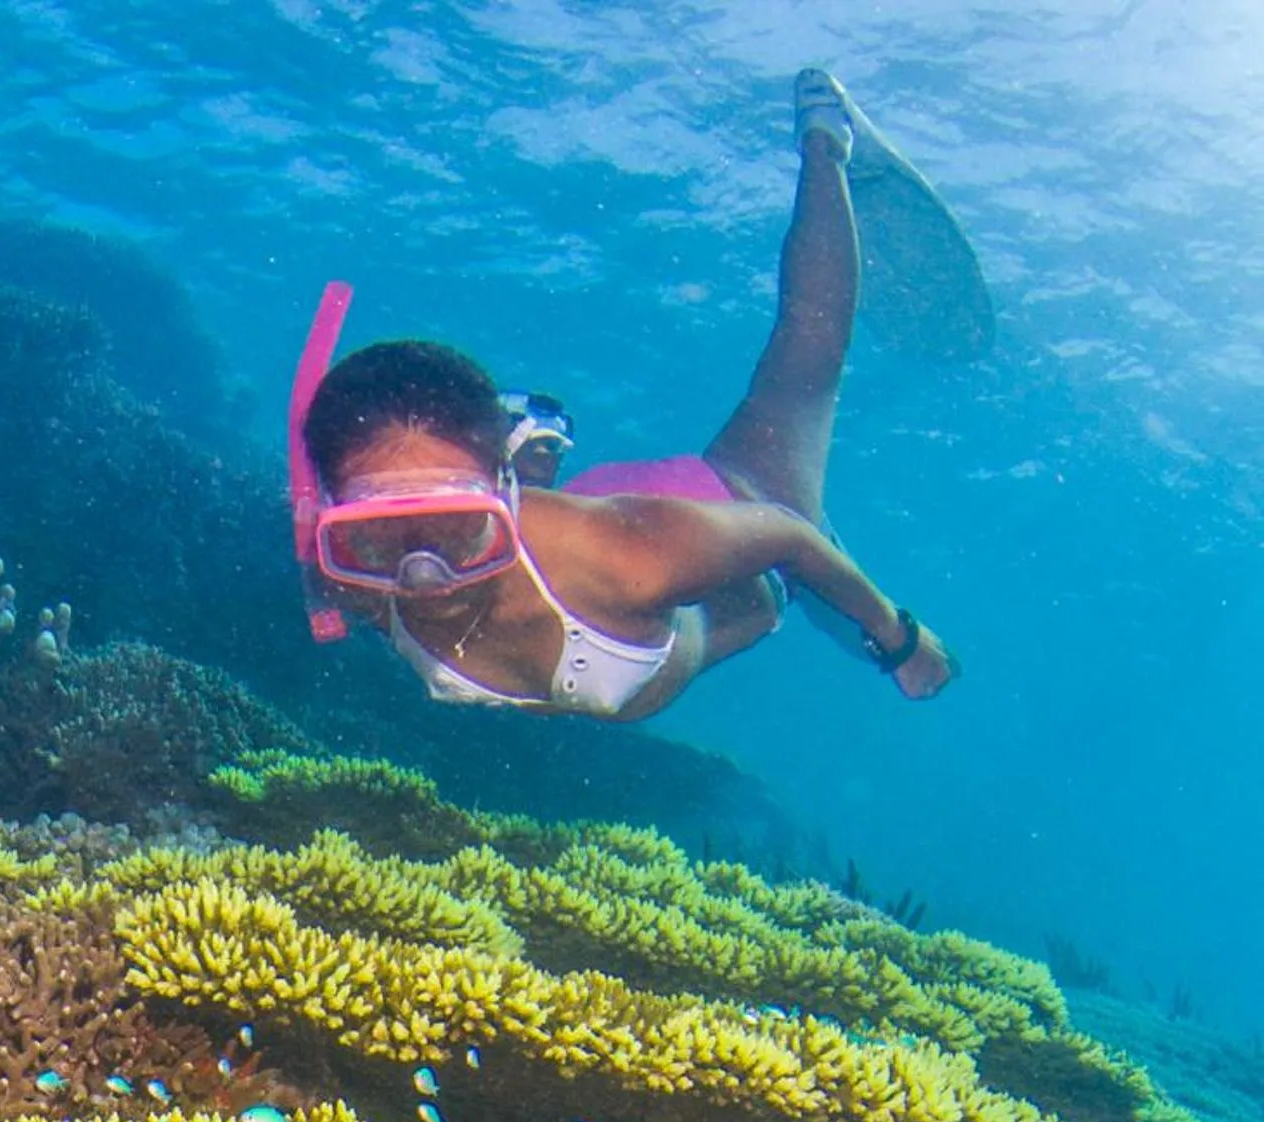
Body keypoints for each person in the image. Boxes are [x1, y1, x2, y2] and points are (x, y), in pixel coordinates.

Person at [287, 70, 959, 721]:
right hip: (597, 517)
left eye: (456, 527)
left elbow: (790, 536)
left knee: (805, 363)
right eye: (374, 538)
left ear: (504, 491)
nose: (424, 581)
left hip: (730, 506)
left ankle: (824, 136)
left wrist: (899, 640)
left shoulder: (634, 561)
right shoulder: (345, 575)